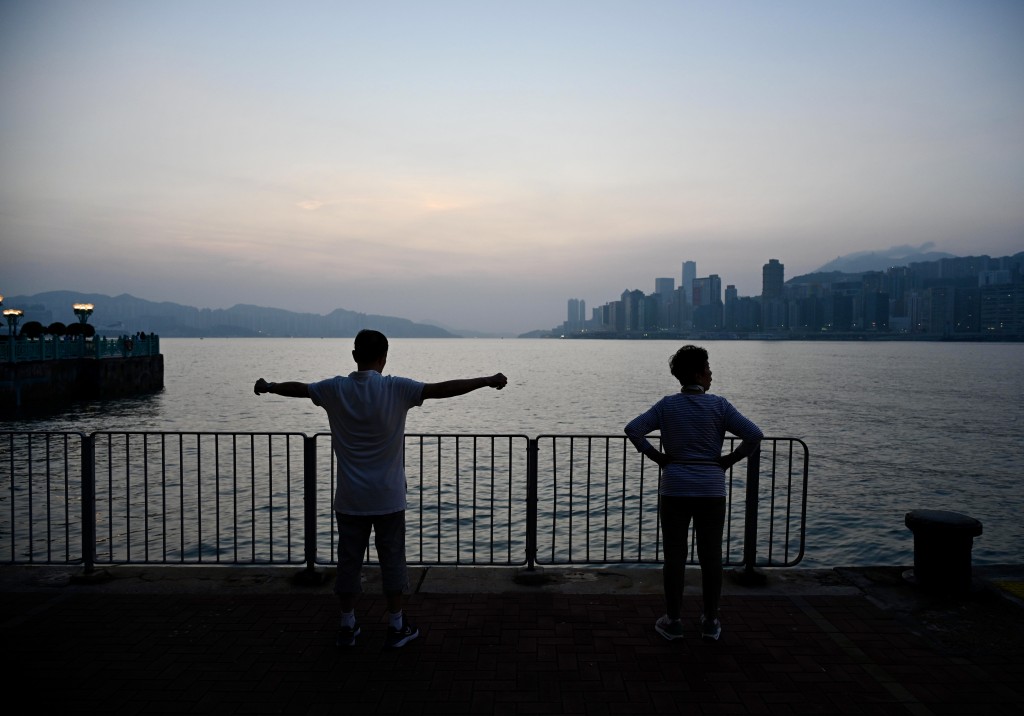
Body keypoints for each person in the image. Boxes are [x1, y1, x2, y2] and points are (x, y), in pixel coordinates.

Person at [254, 329, 507, 648]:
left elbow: (300, 389)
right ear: (384, 357)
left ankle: (347, 625)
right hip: (388, 498)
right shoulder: (396, 388)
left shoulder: (335, 389)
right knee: (392, 562)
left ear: (355, 356)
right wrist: (486, 380)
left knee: (348, 564)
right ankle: (396, 626)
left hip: (349, 499)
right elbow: (442, 389)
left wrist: (269, 386)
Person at [624, 345, 762, 642]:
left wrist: (658, 457)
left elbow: (633, 429)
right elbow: (754, 435)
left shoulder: (666, 406)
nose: (711, 374)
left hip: (675, 486)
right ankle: (711, 621)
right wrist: (728, 461)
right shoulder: (720, 406)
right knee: (711, 556)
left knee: (675, 556)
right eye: (708, 369)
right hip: (711, 487)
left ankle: (673, 620)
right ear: (699, 372)